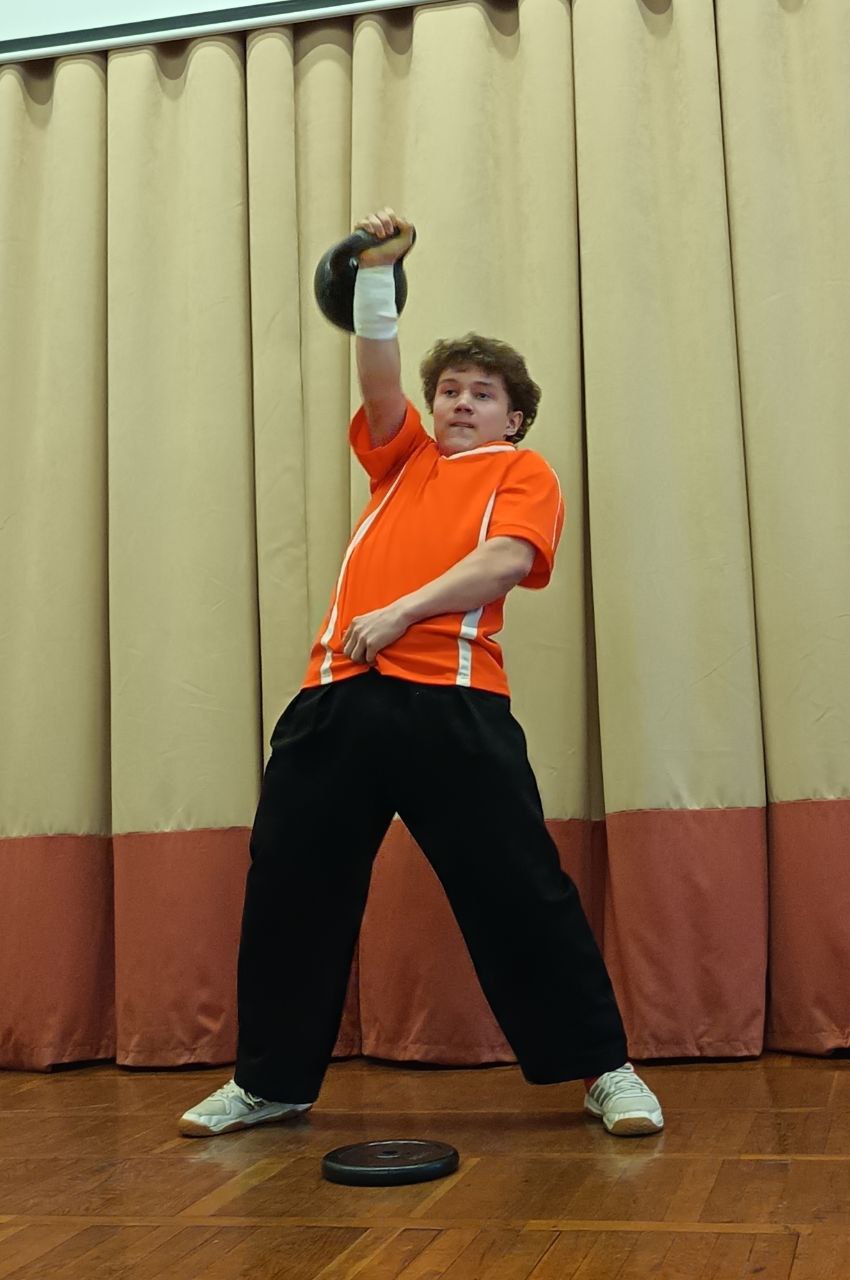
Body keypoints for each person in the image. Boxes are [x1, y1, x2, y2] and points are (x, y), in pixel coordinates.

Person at [179, 209, 664, 1140]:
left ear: (513, 416)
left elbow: (506, 561)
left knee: (519, 889)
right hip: (334, 703)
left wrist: (402, 612)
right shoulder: (401, 461)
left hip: (454, 705)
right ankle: (270, 1083)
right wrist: (377, 270)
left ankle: (606, 1070)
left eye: (482, 393)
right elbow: (376, 367)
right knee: (290, 892)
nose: (459, 403)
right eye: (448, 391)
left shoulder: (522, 472)